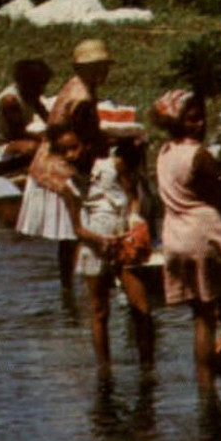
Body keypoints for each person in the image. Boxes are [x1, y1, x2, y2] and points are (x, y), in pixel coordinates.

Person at [153, 90, 221, 385]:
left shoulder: (165, 152)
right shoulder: (200, 156)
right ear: (176, 122)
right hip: (204, 235)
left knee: (201, 314)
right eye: (191, 119)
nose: (199, 124)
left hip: (175, 236)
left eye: (201, 118)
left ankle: (205, 386)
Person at [17, 39, 114, 288]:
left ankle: (69, 288)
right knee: (73, 230)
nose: (103, 72)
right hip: (60, 165)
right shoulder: (81, 96)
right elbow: (85, 134)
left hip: (53, 159)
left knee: (69, 235)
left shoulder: (78, 86)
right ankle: (79, 287)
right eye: (99, 67)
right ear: (86, 69)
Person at [64, 135, 155, 372]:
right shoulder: (70, 185)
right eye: (65, 151)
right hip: (95, 246)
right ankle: (105, 369)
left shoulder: (112, 167)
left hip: (125, 243)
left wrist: (134, 220)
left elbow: (133, 196)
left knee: (141, 306)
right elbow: (78, 228)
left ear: (87, 145)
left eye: (74, 147)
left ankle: (148, 366)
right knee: (99, 310)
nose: (70, 155)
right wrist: (101, 240)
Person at [0, 58, 52, 168]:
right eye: (40, 85)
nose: (42, 90)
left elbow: (48, 118)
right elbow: (17, 134)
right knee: (33, 148)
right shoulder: (10, 101)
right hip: (1, 145)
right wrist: (45, 137)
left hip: (18, 140)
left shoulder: (31, 96)